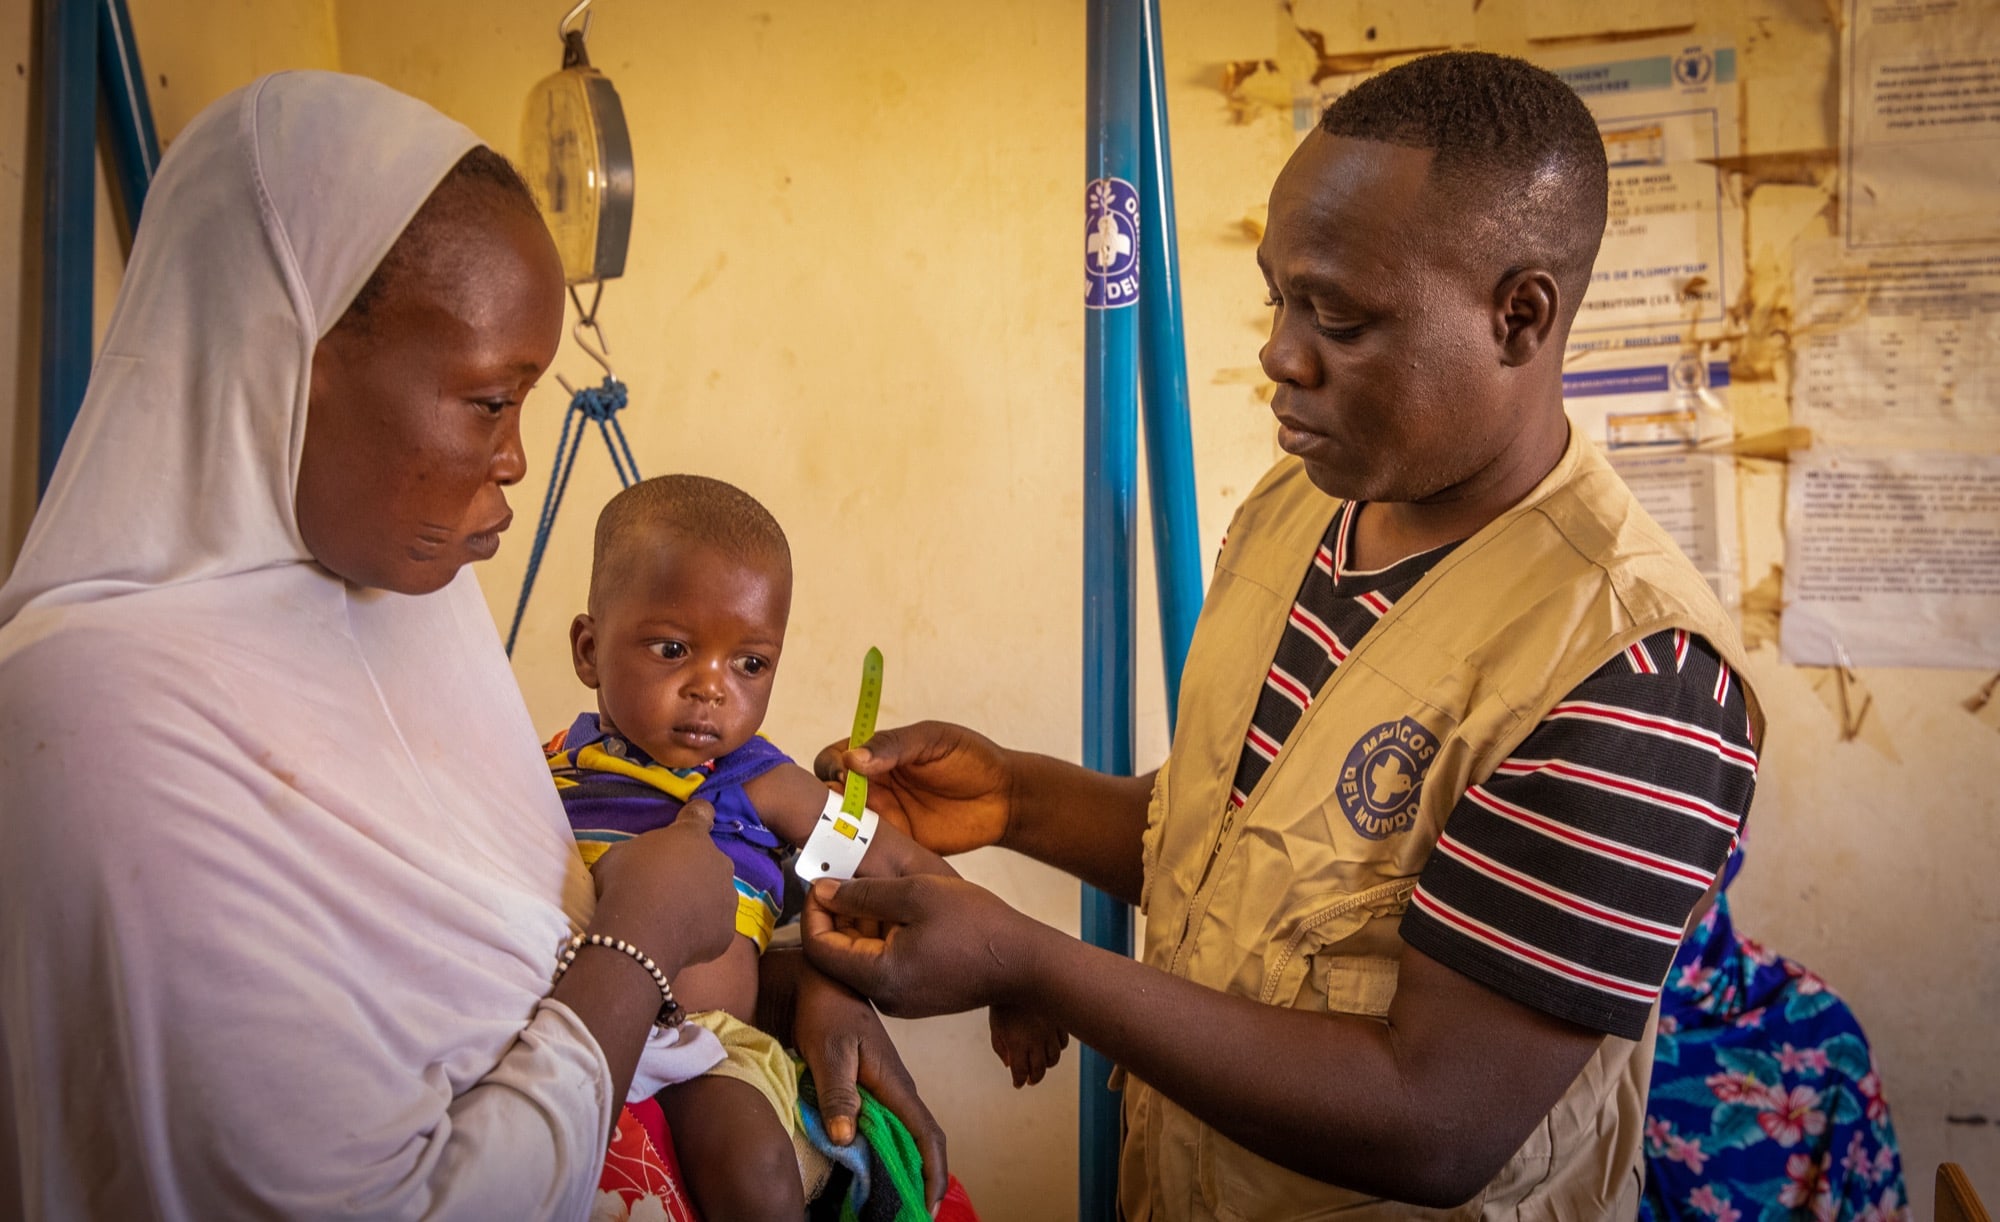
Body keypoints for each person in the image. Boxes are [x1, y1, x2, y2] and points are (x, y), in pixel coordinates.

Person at [801, 51, 1767, 1219]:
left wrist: (1026, 958)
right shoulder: (1300, 509)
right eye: (1277, 295)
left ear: (1519, 316)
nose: (1278, 352)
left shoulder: (1631, 670)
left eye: (1339, 316)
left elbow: (1434, 1121)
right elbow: (1236, 851)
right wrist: (1018, 800)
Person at [0, 70, 944, 1219]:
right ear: (284, 361)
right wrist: (640, 940)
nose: (514, 459)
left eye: (750, 663)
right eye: (490, 401)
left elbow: (852, 858)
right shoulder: (98, 717)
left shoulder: (409, 610)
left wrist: (816, 982)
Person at [545, 473, 1065, 1218]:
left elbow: (901, 868)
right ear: (590, 650)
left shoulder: (765, 784)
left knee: (755, 1169)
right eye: (672, 648)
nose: (712, 687)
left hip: (705, 1047)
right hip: (571, 1023)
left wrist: (1013, 978)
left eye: (749, 663)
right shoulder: (549, 770)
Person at [1641, 850, 1911, 1222]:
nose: (1643, 848)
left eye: (1693, 806)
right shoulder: (1544, 1022)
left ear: (1734, 835)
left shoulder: (1820, 1043)